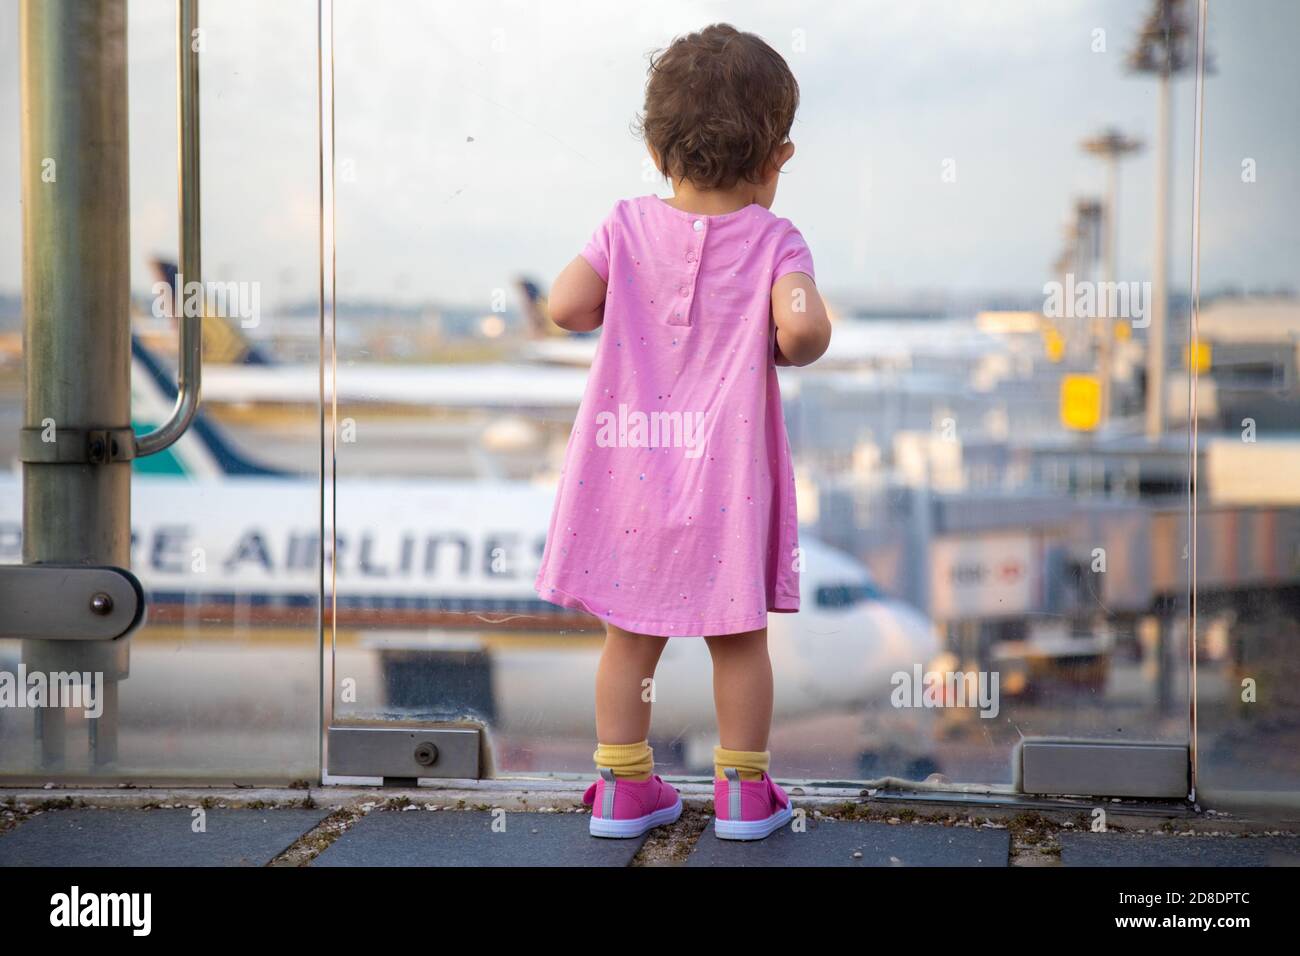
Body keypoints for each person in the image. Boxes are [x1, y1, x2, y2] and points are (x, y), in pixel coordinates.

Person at [535, 22, 831, 841]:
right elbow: (803, 331)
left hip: (629, 471)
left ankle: (625, 790)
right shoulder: (777, 239)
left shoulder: (625, 225)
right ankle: (742, 794)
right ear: (777, 160)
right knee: (738, 639)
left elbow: (564, 306)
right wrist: (782, 328)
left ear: (659, 151)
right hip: (726, 479)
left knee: (629, 638)